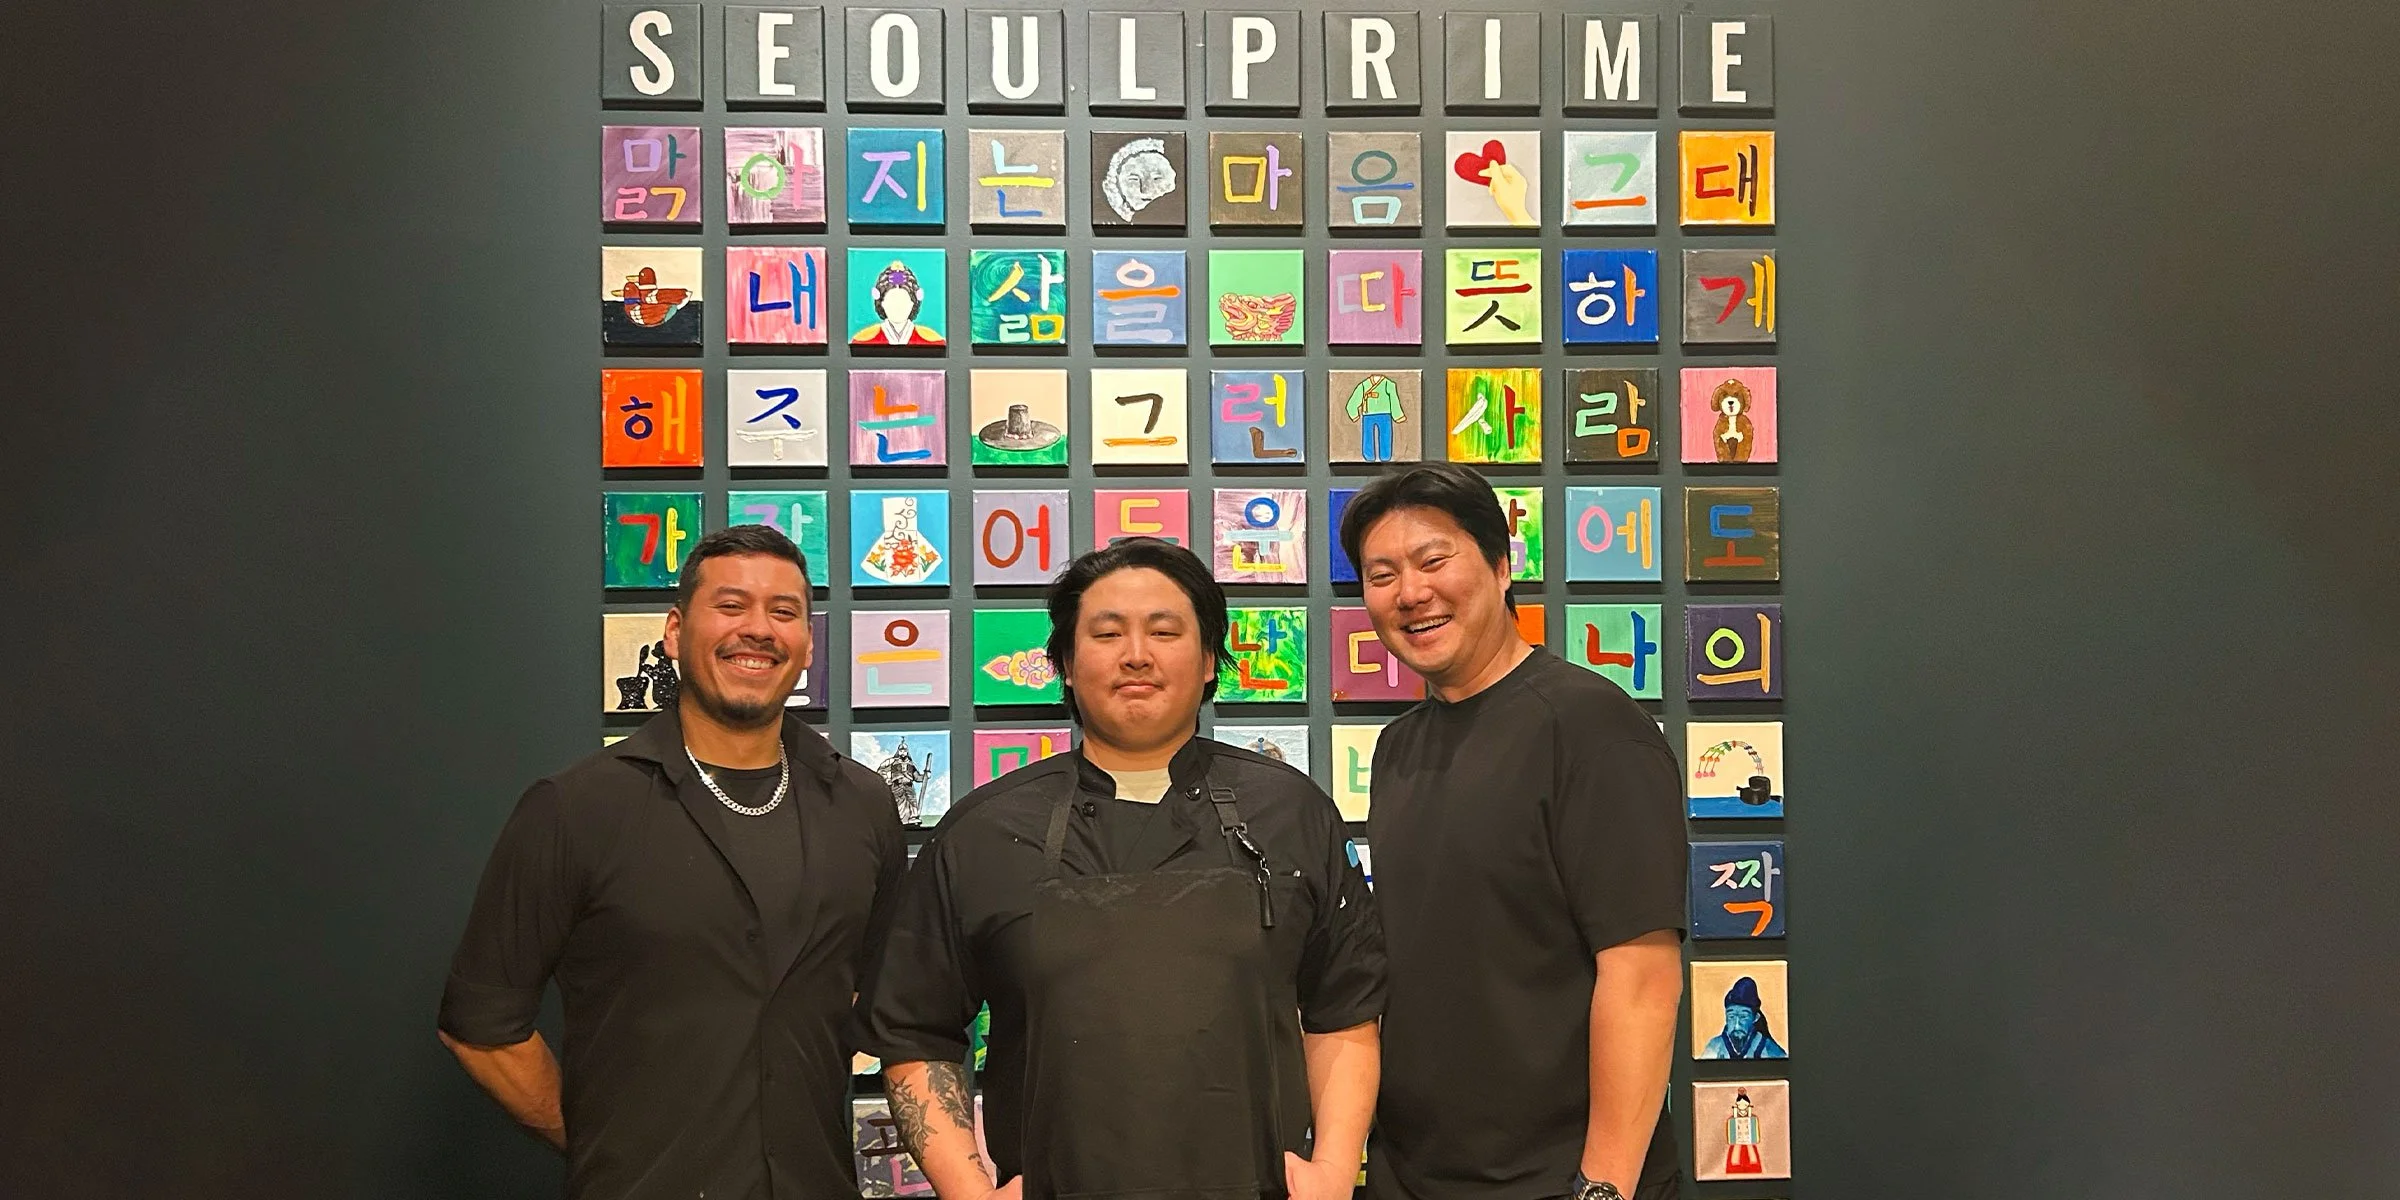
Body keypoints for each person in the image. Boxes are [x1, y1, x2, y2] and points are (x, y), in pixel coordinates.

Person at [855, 537, 1385, 1200]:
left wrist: (1332, 1173)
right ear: (1066, 664)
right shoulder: (984, 831)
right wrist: (970, 1191)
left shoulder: (1291, 811)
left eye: (1164, 631)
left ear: (1210, 661)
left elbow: (1344, 1008)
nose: (1136, 654)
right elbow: (914, 1031)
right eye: (1107, 633)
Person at [437, 525, 908, 1200]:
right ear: (675, 632)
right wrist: (601, 1144)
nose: (758, 629)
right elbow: (482, 1027)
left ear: (808, 644)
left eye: (783, 612)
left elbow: (873, 994)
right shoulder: (576, 808)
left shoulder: (862, 804)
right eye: (731, 605)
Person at [1339, 464, 1687, 1200]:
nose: (1411, 593)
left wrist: (1601, 1189)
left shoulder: (1591, 726)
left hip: (1559, 1181)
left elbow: (1642, 979)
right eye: (1382, 575)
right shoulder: (1398, 748)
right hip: (1415, 1174)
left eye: (1434, 560)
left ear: (1502, 566)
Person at [1701, 977, 1786, 1060]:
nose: (1737, 1025)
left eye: (1743, 1017)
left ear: (1756, 1017)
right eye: (1731, 1016)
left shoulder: (1769, 1049)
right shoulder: (1714, 1047)